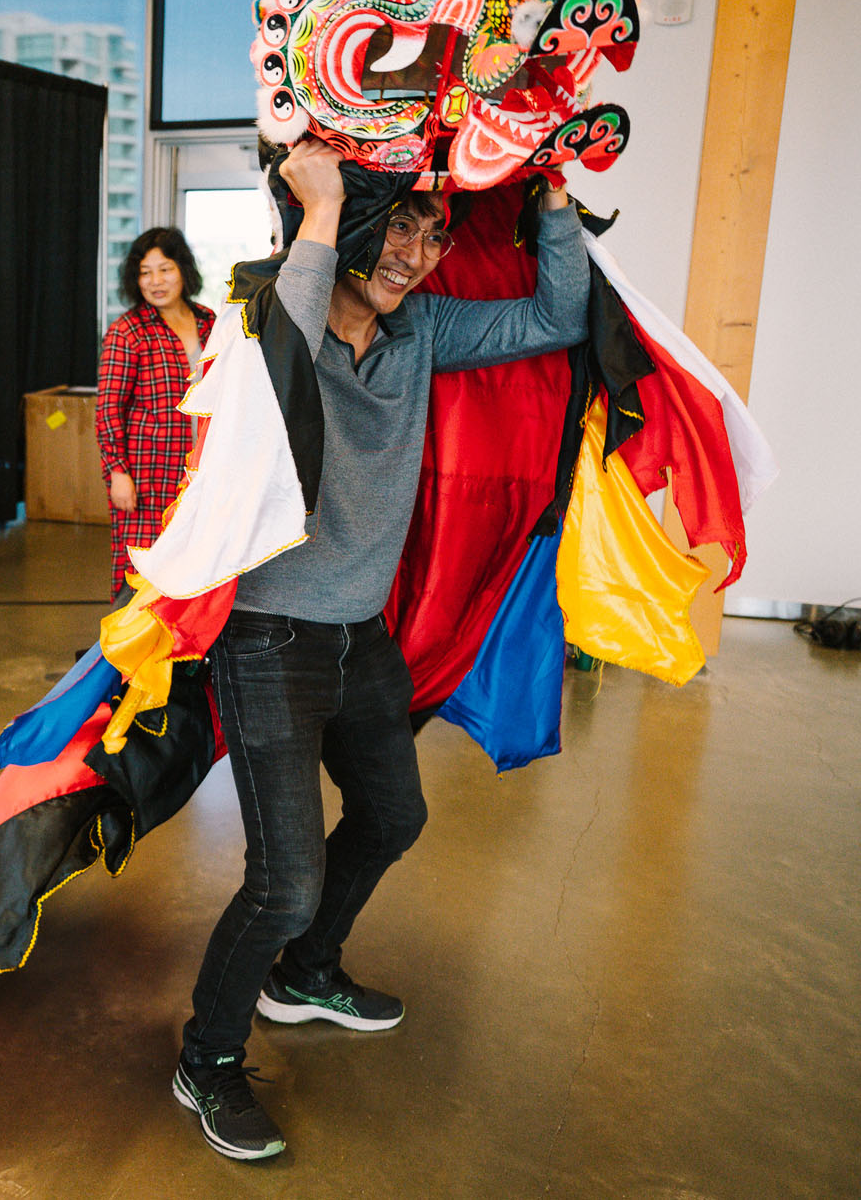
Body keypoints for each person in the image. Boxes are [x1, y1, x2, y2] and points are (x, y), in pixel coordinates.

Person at [169, 140, 591, 1161]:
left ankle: (303, 971)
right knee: (282, 876)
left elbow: (553, 317)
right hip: (268, 633)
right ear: (349, 220)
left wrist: (554, 206)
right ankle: (206, 1058)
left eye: (433, 229)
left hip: (359, 632)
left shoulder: (422, 333)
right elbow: (289, 344)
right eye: (397, 222)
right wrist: (317, 208)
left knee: (393, 811)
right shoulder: (278, 321)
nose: (418, 250)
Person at [96, 229, 217, 600]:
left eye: (164, 269)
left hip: (202, 469)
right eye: (145, 273)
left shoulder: (209, 321)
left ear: (183, 270)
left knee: (194, 567)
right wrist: (117, 471)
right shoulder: (127, 331)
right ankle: (126, 653)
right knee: (141, 569)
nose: (155, 281)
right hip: (148, 474)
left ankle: (185, 656)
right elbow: (107, 409)